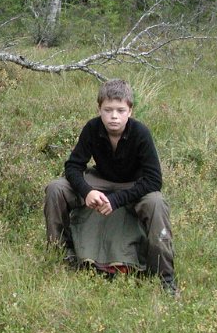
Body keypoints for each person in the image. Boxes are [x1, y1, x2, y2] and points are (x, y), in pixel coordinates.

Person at [43, 79, 179, 296]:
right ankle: (61, 253)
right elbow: (73, 166)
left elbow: (154, 180)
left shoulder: (140, 133)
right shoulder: (92, 128)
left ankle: (165, 277)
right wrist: (87, 191)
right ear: (99, 109)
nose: (114, 116)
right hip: (99, 180)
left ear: (130, 111)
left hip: (134, 185)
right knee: (55, 188)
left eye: (120, 110)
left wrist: (116, 201)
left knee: (156, 202)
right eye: (108, 110)